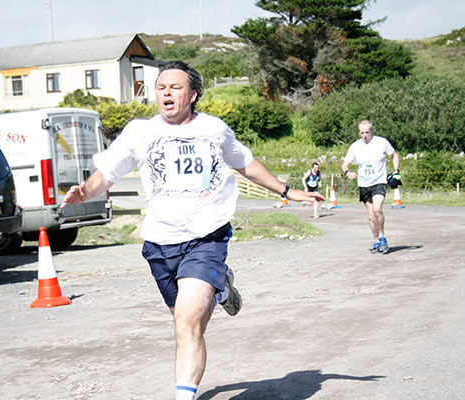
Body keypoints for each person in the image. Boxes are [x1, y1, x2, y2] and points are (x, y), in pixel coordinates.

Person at [60, 60, 324, 399]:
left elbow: (246, 163)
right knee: (187, 324)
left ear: (193, 94)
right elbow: (107, 173)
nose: (166, 92)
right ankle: (221, 289)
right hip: (160, 243)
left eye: (175, 87)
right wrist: (85, 191)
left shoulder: (213, 129)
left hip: (206, 237)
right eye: (161, 87)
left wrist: (287, 191)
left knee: (186, 322)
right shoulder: (140, 133)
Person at [341, 120, 400, 254]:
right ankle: (376, 241)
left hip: (379, 181)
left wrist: (396, 171)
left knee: (377, 209)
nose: (365, 135)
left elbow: (394, 155)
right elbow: (345, 164)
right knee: (371, 215)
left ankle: (382, 237)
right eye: (362, 133)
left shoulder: (382, 142)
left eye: (367, 132)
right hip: (363, 184)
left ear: (372, 131)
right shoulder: (355, 146)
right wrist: (347, 172)